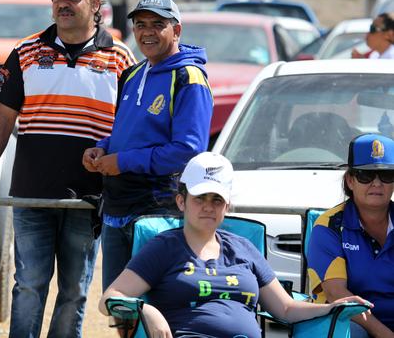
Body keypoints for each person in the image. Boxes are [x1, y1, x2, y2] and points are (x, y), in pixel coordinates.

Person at [0, 0, 135, 336]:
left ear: (95, 3)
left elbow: (131, 127)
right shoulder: (25, 52)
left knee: (74, 291)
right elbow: (1, 122)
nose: (62, 3)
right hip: (31, 194)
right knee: (28, 284)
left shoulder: (121, 58)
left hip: (89, 198)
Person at [100, 152, 371, 338]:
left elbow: (285, 308)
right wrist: (148, 310)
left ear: (227, 205)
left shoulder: (242, 248)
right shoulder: (164, 247)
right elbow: (109, 299)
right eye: (199, 198)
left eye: (216, 200)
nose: (208, 207)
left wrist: (331, 307)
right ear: (181, 201)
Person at [82, 0, 212, 291]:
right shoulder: (133, 73)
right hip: (116, 208)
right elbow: (129, 132)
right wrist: (103, 146)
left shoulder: (189, 77)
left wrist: (122, 161)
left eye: (158, 24)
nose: (147, 32)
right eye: (140, 25)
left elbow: (188, 151)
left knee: (155, 305)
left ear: (176, 30)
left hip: (157, 210)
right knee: (119, 306)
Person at [307, 133, 394, 337]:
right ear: (350, 180)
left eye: (387, 175)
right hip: (352, 323)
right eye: (365, 175)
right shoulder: (329, 226)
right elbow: (337, 294)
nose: (377, 183)